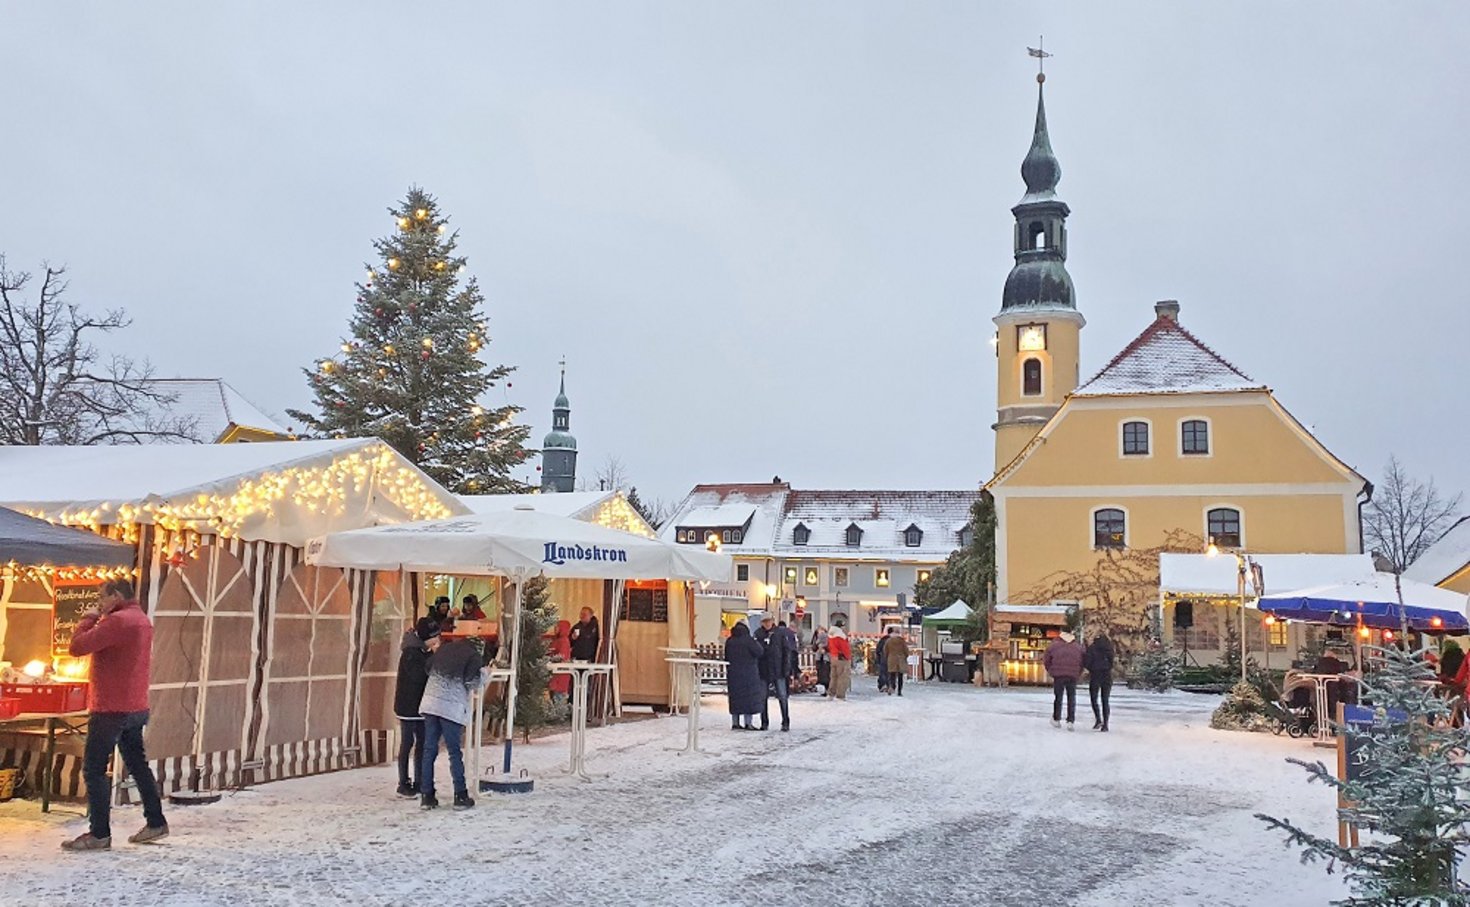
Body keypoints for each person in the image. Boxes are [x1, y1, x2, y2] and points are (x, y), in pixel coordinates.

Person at [62, 579, 168, 851]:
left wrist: (87, 620)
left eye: (102, 596)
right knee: (137, 764)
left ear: (117, 595)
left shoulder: (117, 621)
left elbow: (77, 647)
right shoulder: (142, 619)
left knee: (94, 769)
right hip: (136, 704)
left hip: (110, 706)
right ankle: (156, 821)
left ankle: (99, 833)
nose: (99, 602)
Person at [419, 632, 483, 810]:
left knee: (429, 750)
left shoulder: (445, 649)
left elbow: (428, 667)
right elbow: (473, 683)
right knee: (454, 751)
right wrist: (485, 674)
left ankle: (427, 796)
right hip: (451, 707)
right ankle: (460, 796)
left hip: (430, 703)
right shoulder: (474, 656)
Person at [393, 618, 438, 797]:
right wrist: (433, 658)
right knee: (407, 743)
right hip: (408, 707)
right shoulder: (411, 653)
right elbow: (418, 676)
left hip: (422, 706)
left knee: (422, 744)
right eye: (433, 639)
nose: (436, 642)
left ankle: (420, 781)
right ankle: (403, 783)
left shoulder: (423, 651)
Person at [724, 622, 766, 729]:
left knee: (735, 698)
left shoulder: (730, 641)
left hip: (733, 674)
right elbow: (760, 652)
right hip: (749, 674)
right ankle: (748, 723)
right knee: (749, 698)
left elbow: (726, 656)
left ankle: (735, 722)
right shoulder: (748, 640)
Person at [760, 618, 799, 731]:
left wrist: (786, 668)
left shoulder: (779, 633)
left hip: (779, 670)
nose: (767, 624)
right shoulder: (759, 633)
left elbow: (787, 651)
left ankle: (785, 721)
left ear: (772, 622)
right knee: (763, 697)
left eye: (769, 621)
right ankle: (764, 722)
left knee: (782, 696)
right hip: (764, 670)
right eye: (765, 622)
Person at [1043, 630, 1086, 730]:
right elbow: (1083, 661)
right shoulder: (1078, 647)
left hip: (1059, 676)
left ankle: (1056, 719)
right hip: (1072, 676)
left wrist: (1051, 671)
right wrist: (1078, 673)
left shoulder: (1053, 645)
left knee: (1058, 697)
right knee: (1071, 698)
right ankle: (1070, 720)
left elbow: (1046, 659)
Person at [1084, 631, 1115, 732]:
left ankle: (1098, 719)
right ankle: (1105, 724)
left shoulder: (1092, 648)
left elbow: (1087, 662)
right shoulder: (1109, 648)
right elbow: (1112, 662)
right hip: (1106, 675)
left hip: (1095, 675)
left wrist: (1091, 669)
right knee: (1105, 700)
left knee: (1094, 698)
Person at [547, 620, 573, 702]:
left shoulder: (564, 641)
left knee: (558, 699)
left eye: (557, 627)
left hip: (560, 676)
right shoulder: (557, 640)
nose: (555, 628)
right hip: (555, 674)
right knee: (554, 698)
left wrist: (549, 658)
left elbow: (561, 657)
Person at [827, 627, 852, 700]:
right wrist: (848, 657)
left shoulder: (831, 636)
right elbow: (845, 648)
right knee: (842, 677)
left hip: (833, 657)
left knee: (833, 677)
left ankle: (831, 693)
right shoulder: (840, 637)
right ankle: (840, 695)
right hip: (842, 659)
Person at [884, 629, 911, 696]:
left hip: (891, 659)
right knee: (900, 676)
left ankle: (891, 687)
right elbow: (906, 651)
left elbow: (885, 651)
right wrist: (904, 657)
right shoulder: (902, 641)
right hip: (900, 660)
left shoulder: (888, 641)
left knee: (891, 675)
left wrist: (888, 657)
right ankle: (899, 691)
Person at [811, 626, 831, 694]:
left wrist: (823, 648)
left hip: (823, 658)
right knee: (823, 674)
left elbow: (814, 646)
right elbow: (814, 647)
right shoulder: (817, 637)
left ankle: (826, 689)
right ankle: (825, 689)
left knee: (824, 674)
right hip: (822, 658)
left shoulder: (824, 638)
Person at [875, 628, 892, 693]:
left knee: (883, 673)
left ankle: (882, 685)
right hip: (890, 659)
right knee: (889, 673)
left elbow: (878, 650)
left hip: (883, 658)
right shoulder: (893, 640)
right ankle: (889, 686)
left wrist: (878, 658)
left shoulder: (883, 640)